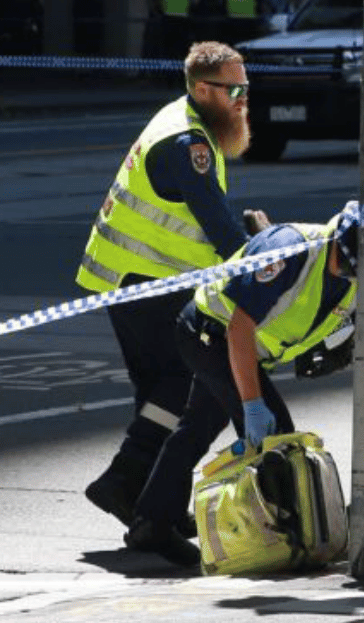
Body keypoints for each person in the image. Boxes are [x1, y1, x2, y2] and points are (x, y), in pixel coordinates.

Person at [77, 41, 262, 535]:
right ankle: (124, 484)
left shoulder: (183, 117)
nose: (244, 97)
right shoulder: (190, 144)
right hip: (146, 283)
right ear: (203, 89)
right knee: (188, 386)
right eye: (234, 89)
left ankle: (143, 502)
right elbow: (221, 230)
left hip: (126, 279)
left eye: (246, 85)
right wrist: (263, 263)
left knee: (158, 391)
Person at [125, 202, 361, 566]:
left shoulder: (353, 272)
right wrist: (252, 403)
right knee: (277, 439)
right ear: (337, 242)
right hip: (210, 333)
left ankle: (150, 522)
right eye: (344, 265)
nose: (345, 275)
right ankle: (287, 540)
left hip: (235, 344)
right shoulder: (291, 252)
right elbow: (240, 327)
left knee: (197, 428)